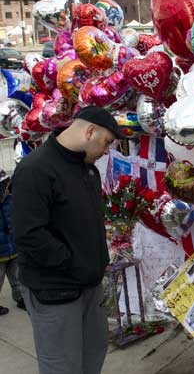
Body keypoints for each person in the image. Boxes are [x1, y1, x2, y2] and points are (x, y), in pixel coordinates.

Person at [12, 106, 124, 374]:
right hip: (55, 291)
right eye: (107, 142)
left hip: (89, 285)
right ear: (89, 131)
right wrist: (73, 262)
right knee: (62, 365)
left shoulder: (88, 170)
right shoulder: (35, 169)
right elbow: (29, 235)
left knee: (93, 354)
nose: (107, 150)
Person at [0, 170, 22, 313]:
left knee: (17, 277)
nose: (7, 188)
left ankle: (20, 298)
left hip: (13, 247)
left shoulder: (11, 200)